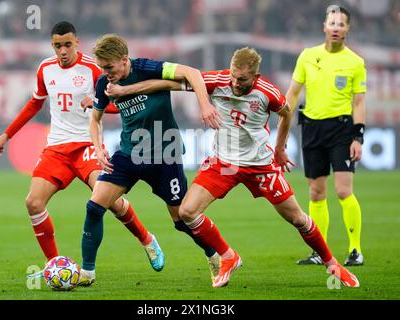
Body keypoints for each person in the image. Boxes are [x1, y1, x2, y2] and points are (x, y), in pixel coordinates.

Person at [106, 47, 360, 289]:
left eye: (242, 80)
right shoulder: (219, 80)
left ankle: (332, 264)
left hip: (260, 165)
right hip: (224, 163)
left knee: (298, 219)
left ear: (255, 76)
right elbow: (167, 84)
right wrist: (127, 90)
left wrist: (280, 148)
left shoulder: (268, 92)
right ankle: (228, 256)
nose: (235, 83)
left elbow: (286, 113)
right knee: (187, 212)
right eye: (233, 76)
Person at [0, 21, 164, 284]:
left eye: (67, 44)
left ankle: (147, 239)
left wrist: (97, 103)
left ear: (77, 43)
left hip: (86, 145)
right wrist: (7, 134)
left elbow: (118, 104)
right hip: (57, 148)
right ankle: (54, 266)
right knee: (33, 203)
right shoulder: (45, 69)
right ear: (52, 45)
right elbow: (34, 104)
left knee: (109, 201)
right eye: (57, 45)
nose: (62, 50)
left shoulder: (94, 68)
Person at [81, 33, 221, 284]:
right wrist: (98, 147)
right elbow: (95, 118)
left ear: (124, 60)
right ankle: (87, 273)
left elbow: (192, 73)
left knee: (182, 221)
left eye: (109, 67)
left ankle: (214, 255)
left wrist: (205, 105)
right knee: (94, 207)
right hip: (128, 153)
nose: (105, 72)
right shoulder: (104, 83)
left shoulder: (148, 67)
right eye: (101, 67)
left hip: (164, 155)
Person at [285, 5, 366, 266]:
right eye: (332, 23)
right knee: (316, 193)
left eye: (341, 24)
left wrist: (358, 137)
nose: (335, 28)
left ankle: (355, 250)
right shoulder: (308, 56)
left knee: (343, 190)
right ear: (324, 26)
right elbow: (293, 92)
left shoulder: (355, 62)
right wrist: (283, 121)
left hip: (342, 130)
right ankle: (320, 252)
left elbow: (359, 103)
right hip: (311, 129)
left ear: (347, 29)